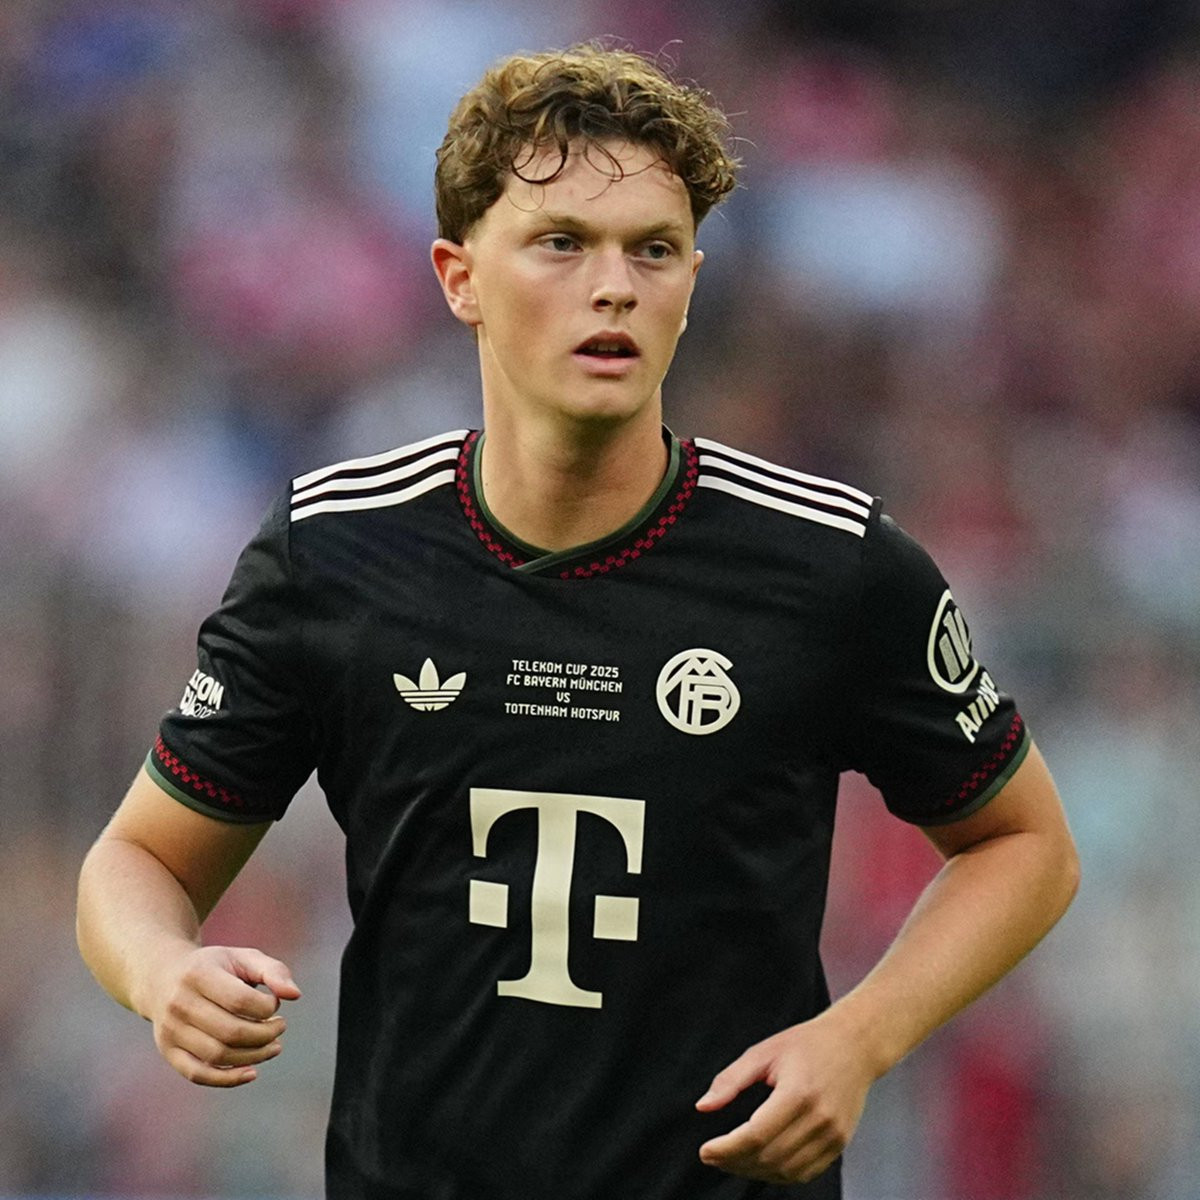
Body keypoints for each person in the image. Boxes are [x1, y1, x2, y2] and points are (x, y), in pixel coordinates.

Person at [76, 43, 1079, 1200]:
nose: (615, 287)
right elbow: (138, 861)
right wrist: (164, 973)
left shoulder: (832, 565)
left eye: (653, 249)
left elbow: (1026, 846)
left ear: (692, 281)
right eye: (562, 242)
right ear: (459, 277)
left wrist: (860, 1037)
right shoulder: (333, 552)